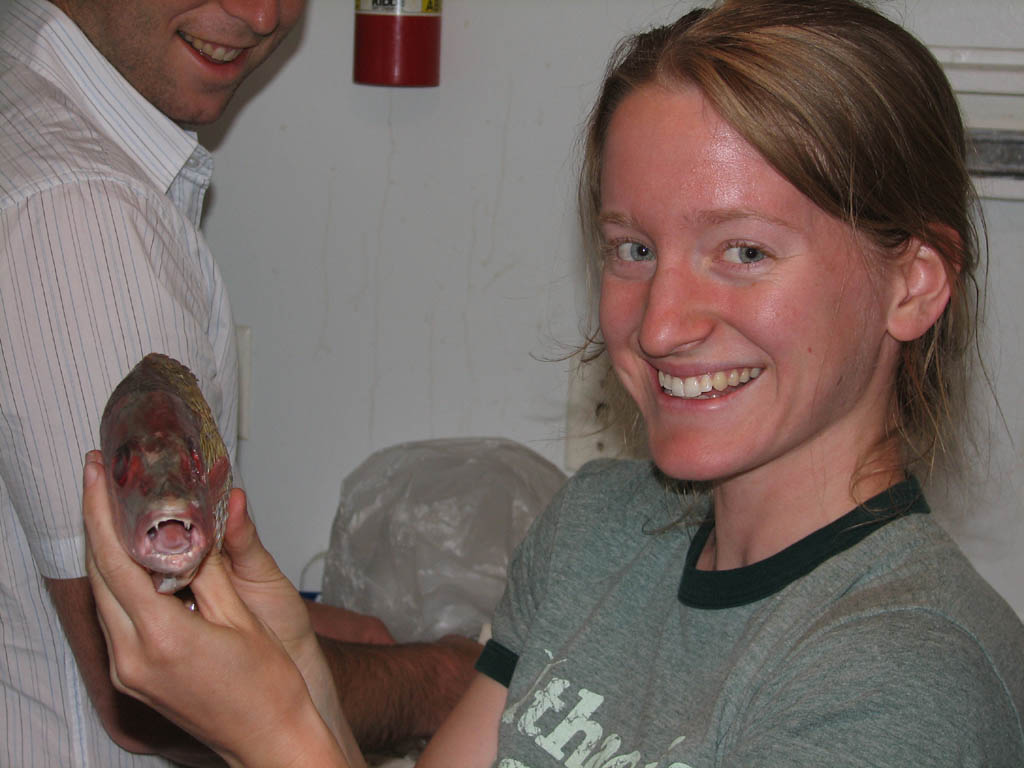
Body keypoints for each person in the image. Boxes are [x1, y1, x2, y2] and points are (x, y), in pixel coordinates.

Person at [81, 0, 1024, 766]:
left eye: (743, 251)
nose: (660, 325)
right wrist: (287, 674)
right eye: (635, 248)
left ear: (915, 283)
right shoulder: (600, 531)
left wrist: (273, 738)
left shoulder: (910, 680)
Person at [0, 1, 476, 765]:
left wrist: (310, 635)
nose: (260, 14)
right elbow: (158, 688)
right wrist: (444, 683)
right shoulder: (81, 217)